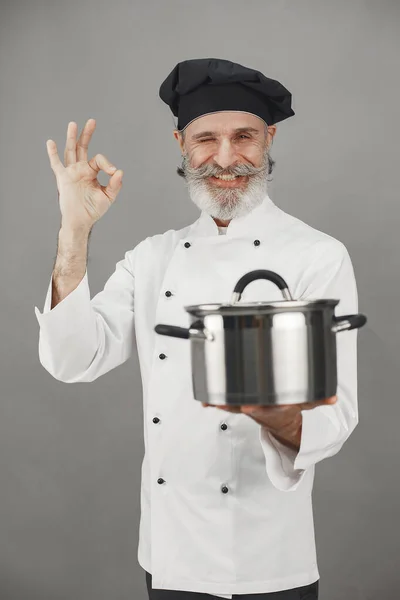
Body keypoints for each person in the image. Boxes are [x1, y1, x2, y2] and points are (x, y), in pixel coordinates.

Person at [34, 58, 359, 599]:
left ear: (270, 138)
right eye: (206, 138)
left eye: (245, 137)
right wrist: (74, 232)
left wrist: (276, 416)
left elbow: (338, 413)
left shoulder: (317, 255)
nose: (226, 158)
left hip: (269, 559)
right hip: (170, 555)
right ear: (181, 142)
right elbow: (73, 360)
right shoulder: (152, 257)